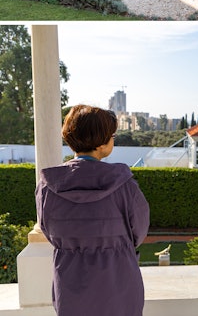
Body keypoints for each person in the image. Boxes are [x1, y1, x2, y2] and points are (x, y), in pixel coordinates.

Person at [36, 105, 150, 316]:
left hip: (70, 281)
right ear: (102, 142)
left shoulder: (48, 186)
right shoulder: (124, 184)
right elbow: (139, 230)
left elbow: (47, 228)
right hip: (119, 278)